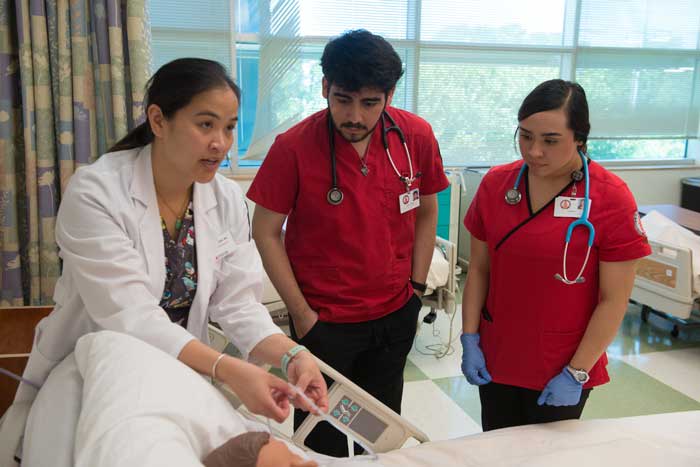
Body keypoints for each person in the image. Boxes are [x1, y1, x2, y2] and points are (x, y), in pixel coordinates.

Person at [12, 58, 328, 434]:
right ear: (159, 120)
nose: (220, 143)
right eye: (205, 124)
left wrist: (293, 355)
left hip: (176, 369)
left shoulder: (225, 198)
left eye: (229, 128)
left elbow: (237, 302)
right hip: (95, 367)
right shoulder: (97, 192)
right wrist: (226, 368)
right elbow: (131, 316)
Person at [247, 30, 448, 456]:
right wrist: (302, 315)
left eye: (370, 102)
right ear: (325, 87)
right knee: (322, 435)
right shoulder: (294, 148)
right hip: (326, 322)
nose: (354, 116)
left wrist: (415, 287)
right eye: (342, 99)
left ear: (390, 95)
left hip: (395, 311)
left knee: (381, 429)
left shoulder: (414, 137)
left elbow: (427, 209)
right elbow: (265, 231)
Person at [460, 79, 651, 431]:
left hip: (563, 364)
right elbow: (480, 271)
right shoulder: (497, 185)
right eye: (525, 136)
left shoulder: (611, 199)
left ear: (579, 137)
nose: (533, 151)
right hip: (497, 356)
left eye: (550, 141)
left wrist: (576, 371)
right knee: (499, 452)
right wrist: (469, 337)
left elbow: (614, 300)